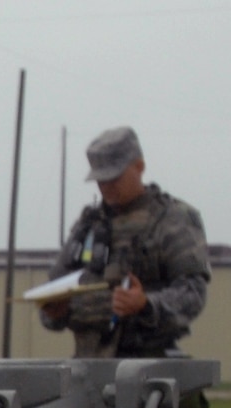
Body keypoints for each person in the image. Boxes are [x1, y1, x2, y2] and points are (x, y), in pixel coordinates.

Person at [41, 126, 210, 360]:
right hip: (86, 369)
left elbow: (193, 293)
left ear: (139, 166)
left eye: (113, 177)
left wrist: (146, 304)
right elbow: (54, 290)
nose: (106, 187)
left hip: (149, 367)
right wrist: (54, 311)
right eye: (100, 180)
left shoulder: (173, 219)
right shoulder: (87, 225)